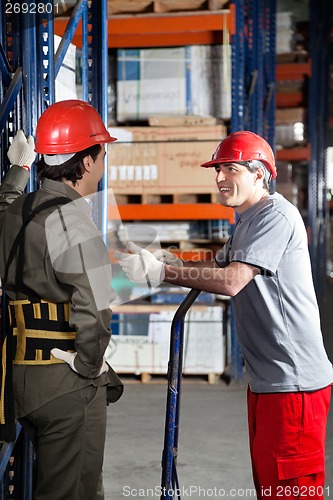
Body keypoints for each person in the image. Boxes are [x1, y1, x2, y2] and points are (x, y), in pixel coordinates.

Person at [116, 131, 333, 500]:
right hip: (268, 380)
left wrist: (162, 272)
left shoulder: (276, 216)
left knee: (290, 490)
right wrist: (171, 261)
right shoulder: (247, 222)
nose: (219, 179)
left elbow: (231, 281)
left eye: (230, 169)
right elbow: (216, 269)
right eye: (217, 170)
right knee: (270, 485)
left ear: (260, 173)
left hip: (293, 383)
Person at [0, 100, 123, 500]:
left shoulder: (17, 211)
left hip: (22, 380)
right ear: (85, 163)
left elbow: (4, 205)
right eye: (102, 154)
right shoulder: (73, 219)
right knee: (76, 493)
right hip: (68, 384)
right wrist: (90, 365)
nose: (103, 163)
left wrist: (18, 170)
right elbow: (95, 307)